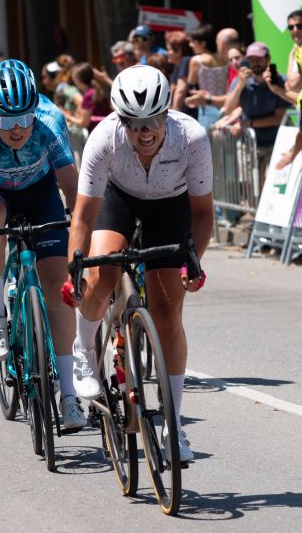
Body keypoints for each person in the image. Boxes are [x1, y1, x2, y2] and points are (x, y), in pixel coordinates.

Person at [67, 65, 213, 462]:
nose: (144, 132)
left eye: (152, 121)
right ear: (120, 120)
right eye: (133, 124)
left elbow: (202, 215)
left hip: (171, 205)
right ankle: (83, 348)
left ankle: (173, 427)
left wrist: (191, 264)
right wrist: (74, 270)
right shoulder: (103, 140)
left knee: (168, 315)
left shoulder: (192, 139)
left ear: (167, 114)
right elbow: (81, 217)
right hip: (119, 199)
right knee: (103, 272)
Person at [0, 65, 85, 432]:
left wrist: (80, 247)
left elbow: (74, 194)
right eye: (6, 120)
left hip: (41, 191)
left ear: (35, 110)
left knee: (58, 291)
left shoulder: (48, 122)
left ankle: (70, 396)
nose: (16, 128)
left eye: (23, 118)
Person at [0, 59, 69, 165]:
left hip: (39, 176)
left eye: (24, 118)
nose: (13, 103)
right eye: (6, 119)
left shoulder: (51, 113)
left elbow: (65, 163)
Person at [217, 42, 288, 179]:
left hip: (274, 143)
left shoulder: (279, 80)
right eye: (251, 60)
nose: (254, 63)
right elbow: (228, 109)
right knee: (248, 189)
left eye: (258, 59)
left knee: (269, 185)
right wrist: (240, 85)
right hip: (248, 143)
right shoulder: (240, 80)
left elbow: (278, 117)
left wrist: (248, 123)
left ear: (268, 59)